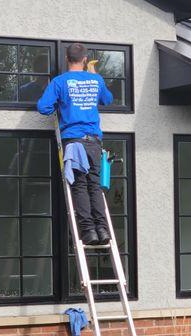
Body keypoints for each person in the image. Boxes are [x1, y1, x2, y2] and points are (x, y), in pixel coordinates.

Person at [37, 43, 113, 245]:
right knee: (94, 185)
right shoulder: (96, 79)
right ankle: (103, 230)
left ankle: (88, 232)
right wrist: (94, 75)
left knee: (79, 186)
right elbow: (108, 99)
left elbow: (43, 107)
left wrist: (59, 104)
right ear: (85, 59)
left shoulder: (60, 82)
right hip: (94, 142)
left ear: (66, 59)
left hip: (73, 142)